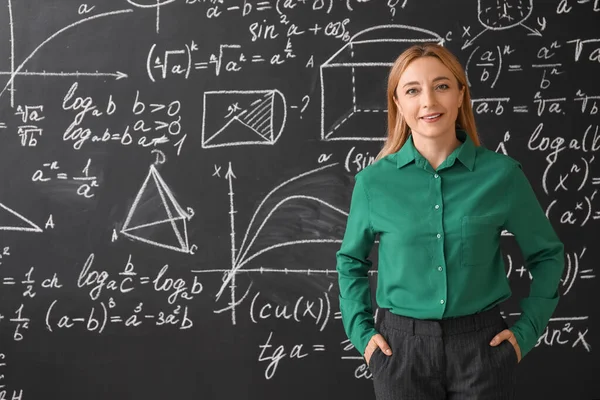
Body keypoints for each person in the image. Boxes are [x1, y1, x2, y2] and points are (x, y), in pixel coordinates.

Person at [335, 43, 565, 399]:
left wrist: (526, 333)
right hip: (399, 354)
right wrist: (362, 335)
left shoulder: (502, 176)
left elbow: (547, 255)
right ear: (398, 104)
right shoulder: (373, 183)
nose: (428, 101)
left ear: (460, 95)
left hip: (483, 350)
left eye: (441, 86)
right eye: (412, 90)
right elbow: (351, 261)